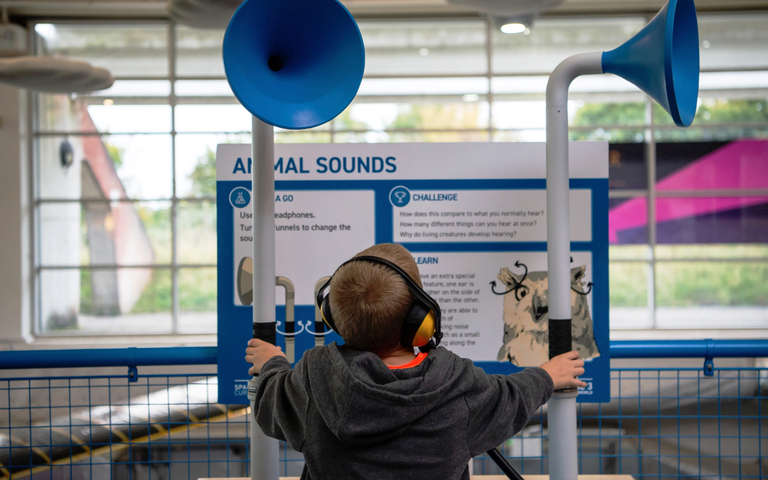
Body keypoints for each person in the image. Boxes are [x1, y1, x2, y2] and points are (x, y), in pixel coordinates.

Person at [245, 243, 587, 480]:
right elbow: (511, 396)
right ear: (420, 318)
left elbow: (270, 399)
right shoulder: (456, 382)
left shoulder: (310, 380)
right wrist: (547, 376)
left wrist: (273, 362)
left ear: (332, 316)